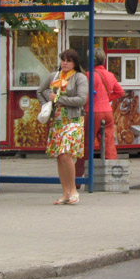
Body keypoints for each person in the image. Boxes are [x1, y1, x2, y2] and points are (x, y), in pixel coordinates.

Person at [37, 49, 89, 205]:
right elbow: (40, 91)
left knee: (66, 154)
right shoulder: (54, 76)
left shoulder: (80, 77)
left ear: (75, 63)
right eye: (63, 60)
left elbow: (81, 99)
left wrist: (59, 98)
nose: (65, 63)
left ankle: (73, 190)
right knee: (59, 156)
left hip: (73, 120)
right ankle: (65, 192)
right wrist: (47, 104)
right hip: (57, 120)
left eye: (69, 60)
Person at [75, 48, 125, 178]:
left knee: (86, 145)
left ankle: (77, 179)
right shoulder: (109, 75)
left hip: (92, 112)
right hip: (107, 112)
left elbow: (83, 95)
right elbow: (120, 92)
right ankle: (114, 176)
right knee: (109, 144)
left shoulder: (88, 75)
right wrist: (105, 99)